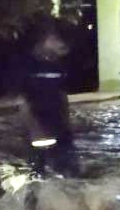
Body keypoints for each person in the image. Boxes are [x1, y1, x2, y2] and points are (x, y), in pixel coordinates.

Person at [19, 23, 80, 178]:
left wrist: (68, 125)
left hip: (60, 128)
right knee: (37, 175)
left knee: (70, 172)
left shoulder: (58, 65)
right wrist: (34, 128)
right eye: (59, 41)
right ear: (47, 39)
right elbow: (23, 101)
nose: (63, 47)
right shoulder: (27, 65)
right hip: (38, 128)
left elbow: (62, 95)